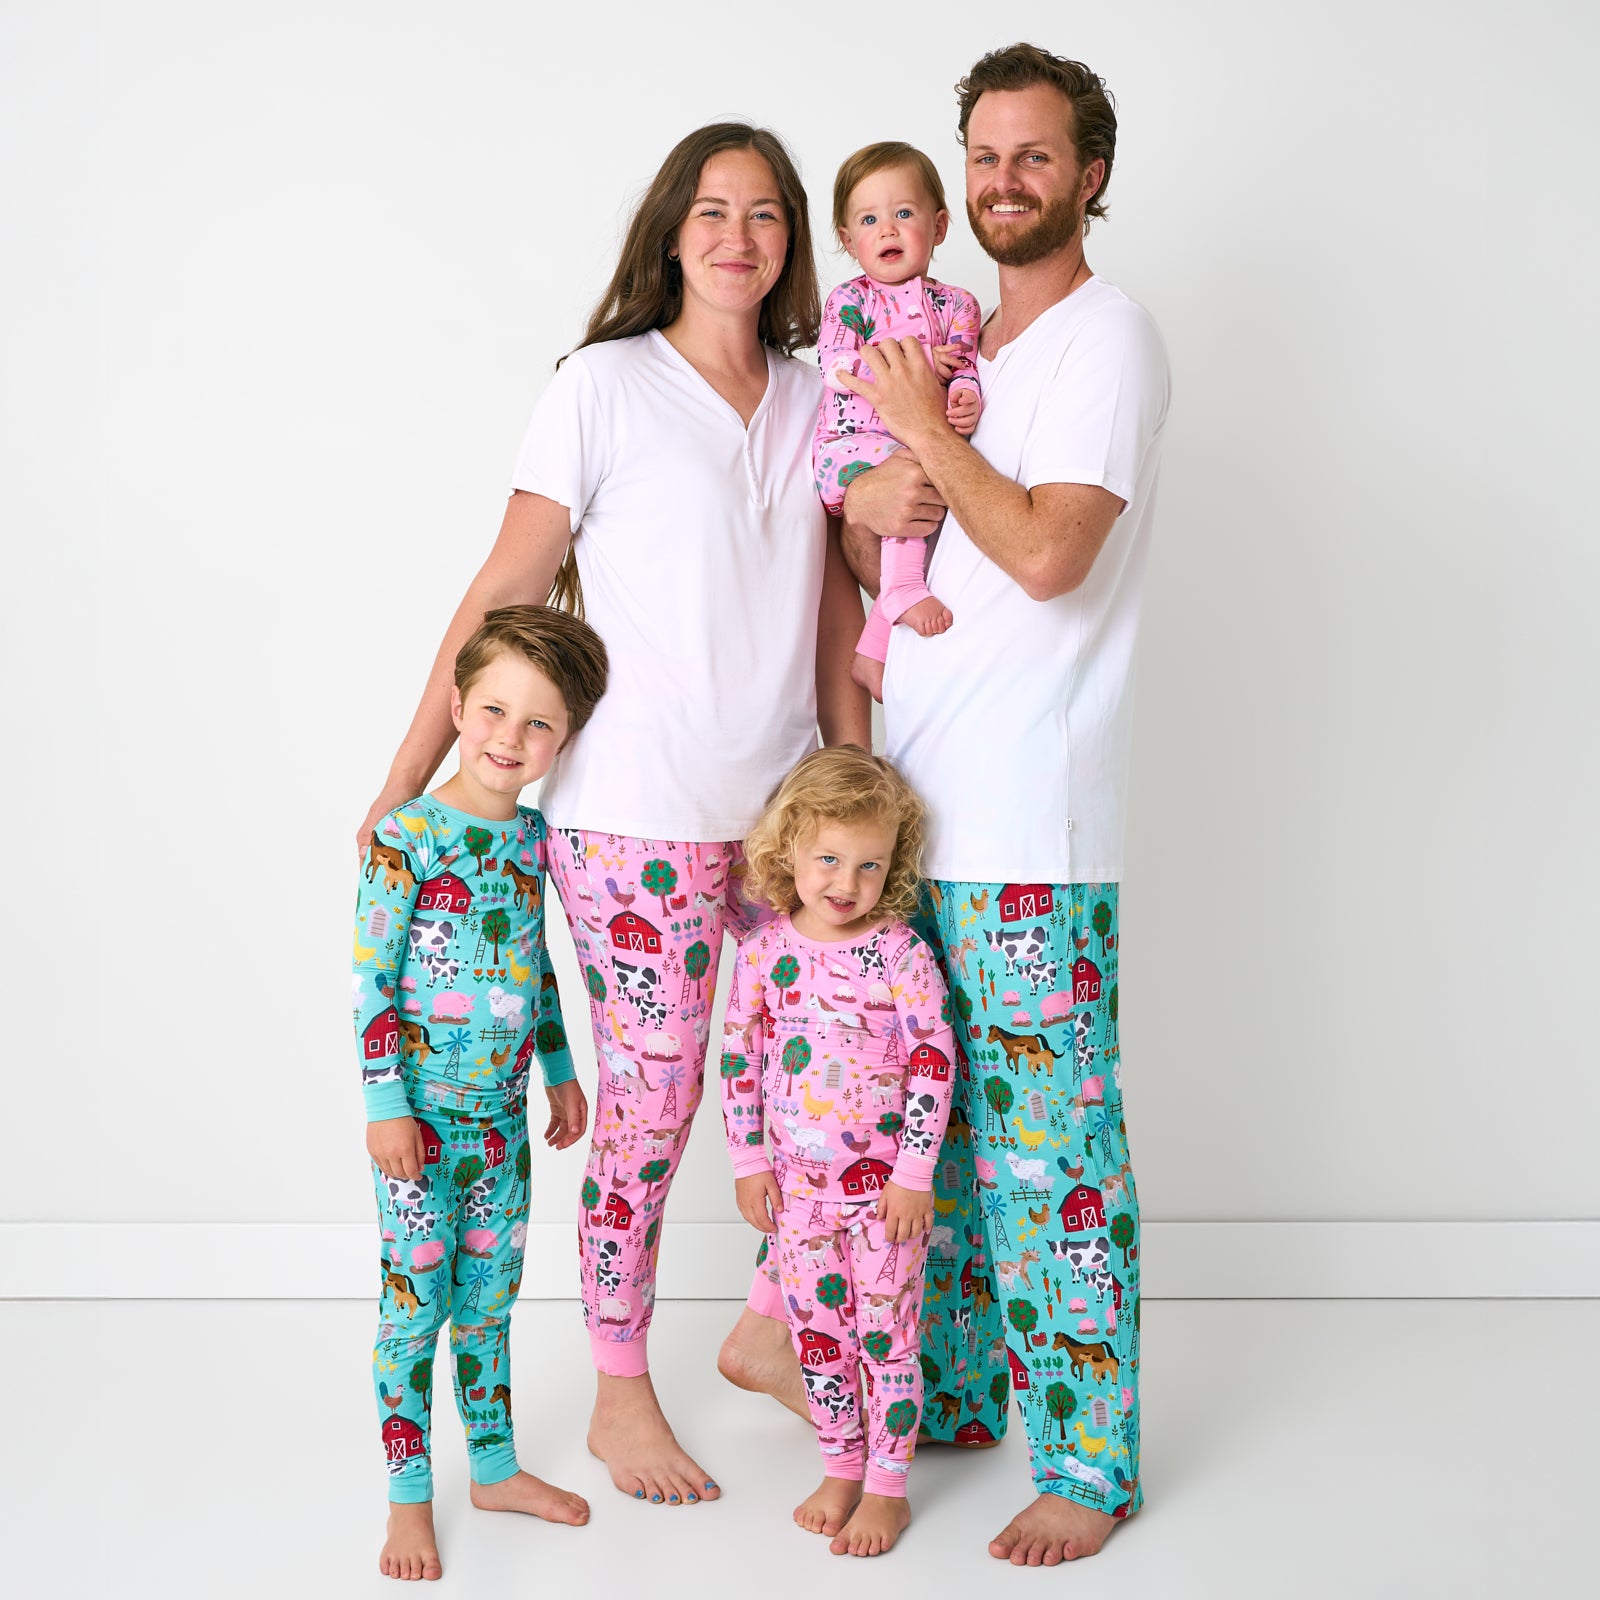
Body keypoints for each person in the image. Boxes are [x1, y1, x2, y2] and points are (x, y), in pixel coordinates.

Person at [359, 121, 868, 1512]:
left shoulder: (821, 399)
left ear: (791, 243)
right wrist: (407, 773)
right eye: (711, 211)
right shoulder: (602, 384)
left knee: (832, 1079)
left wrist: (858, 782)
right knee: (653, 1106)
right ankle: (619, 1388)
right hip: (634, 823)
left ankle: (769, 1327)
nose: (738, 237)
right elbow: (503, 589)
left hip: (785, 820)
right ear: (670, 232)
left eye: (765, 214)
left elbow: (836, 612)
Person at [719, 45, 1171, 1567]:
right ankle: (959, 1400)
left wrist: (920, 433)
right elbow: (898, 552)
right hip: (912, 831)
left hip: (1033, 829)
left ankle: (1089, 1467)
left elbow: (1046, 555)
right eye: (983, 155)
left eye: (1034, 156)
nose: (1001, 181)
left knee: (1052, 1162)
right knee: (942, 1159)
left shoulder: (1105, 338)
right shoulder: (961, 333)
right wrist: (867, 505)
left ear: (1090, 173)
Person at [355, 605, 610, 1581]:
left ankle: (494, 1469)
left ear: (563, 739)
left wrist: (559, 1069)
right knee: (414, 1309)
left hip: (501, 1129)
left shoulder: (532, 839)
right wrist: (385, 1106)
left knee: (490, 1301)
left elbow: (533, 965)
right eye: (495, 710)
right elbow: (371, 982)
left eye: (538, 723)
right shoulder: (406, 835)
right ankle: (408, 1497)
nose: (511, 737)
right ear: (458, 707)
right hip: (419, 1127)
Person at [720, 748, 953, 1557]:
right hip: (797, 1197)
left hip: (885, 1199)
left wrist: (914, 1173)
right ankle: (841, 1466)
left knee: (887, 1339)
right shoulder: (763, 952)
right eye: (828, 858)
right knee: (819, 1337)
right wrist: (749, 1163)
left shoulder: (899, 953)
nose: (846, 882)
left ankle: (888, 1487)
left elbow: (933, 1059)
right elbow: (739, 1060)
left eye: (868, 864)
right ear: (790, 847)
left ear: (893, 864)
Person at [812, 142, 982, 697]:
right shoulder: (850, 301)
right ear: (848, 241)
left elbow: (966, 365)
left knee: (949, 504)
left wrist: (964, 394)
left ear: (939, 226)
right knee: (921, 468)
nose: (887, 229)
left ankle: (873, 652)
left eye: (904, 213)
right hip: (851, 448)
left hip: (915, 446)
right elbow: (837, 367)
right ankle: (904, 587)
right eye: (869, 220)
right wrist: (918, 358)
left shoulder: (958, 305)